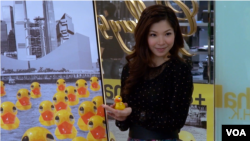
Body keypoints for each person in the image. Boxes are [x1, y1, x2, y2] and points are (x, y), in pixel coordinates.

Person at [102, 4, 193, 141]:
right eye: (153, 35)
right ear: (144, 36)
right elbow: (123, 126)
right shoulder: (130, 68)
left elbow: (176, 121)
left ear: (175, 34)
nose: (161, 42)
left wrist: (133, 112)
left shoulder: (180, 69)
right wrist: (120, 115)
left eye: (167, 34)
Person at [100, 3, 124, 79]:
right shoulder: (120, 23)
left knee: (107, 77)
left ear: (106, 11)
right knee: (116, 77)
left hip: (108, 54)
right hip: (118, 54)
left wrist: (100, 55)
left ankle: (107, 91)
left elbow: (103, 41)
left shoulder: (105, 23)